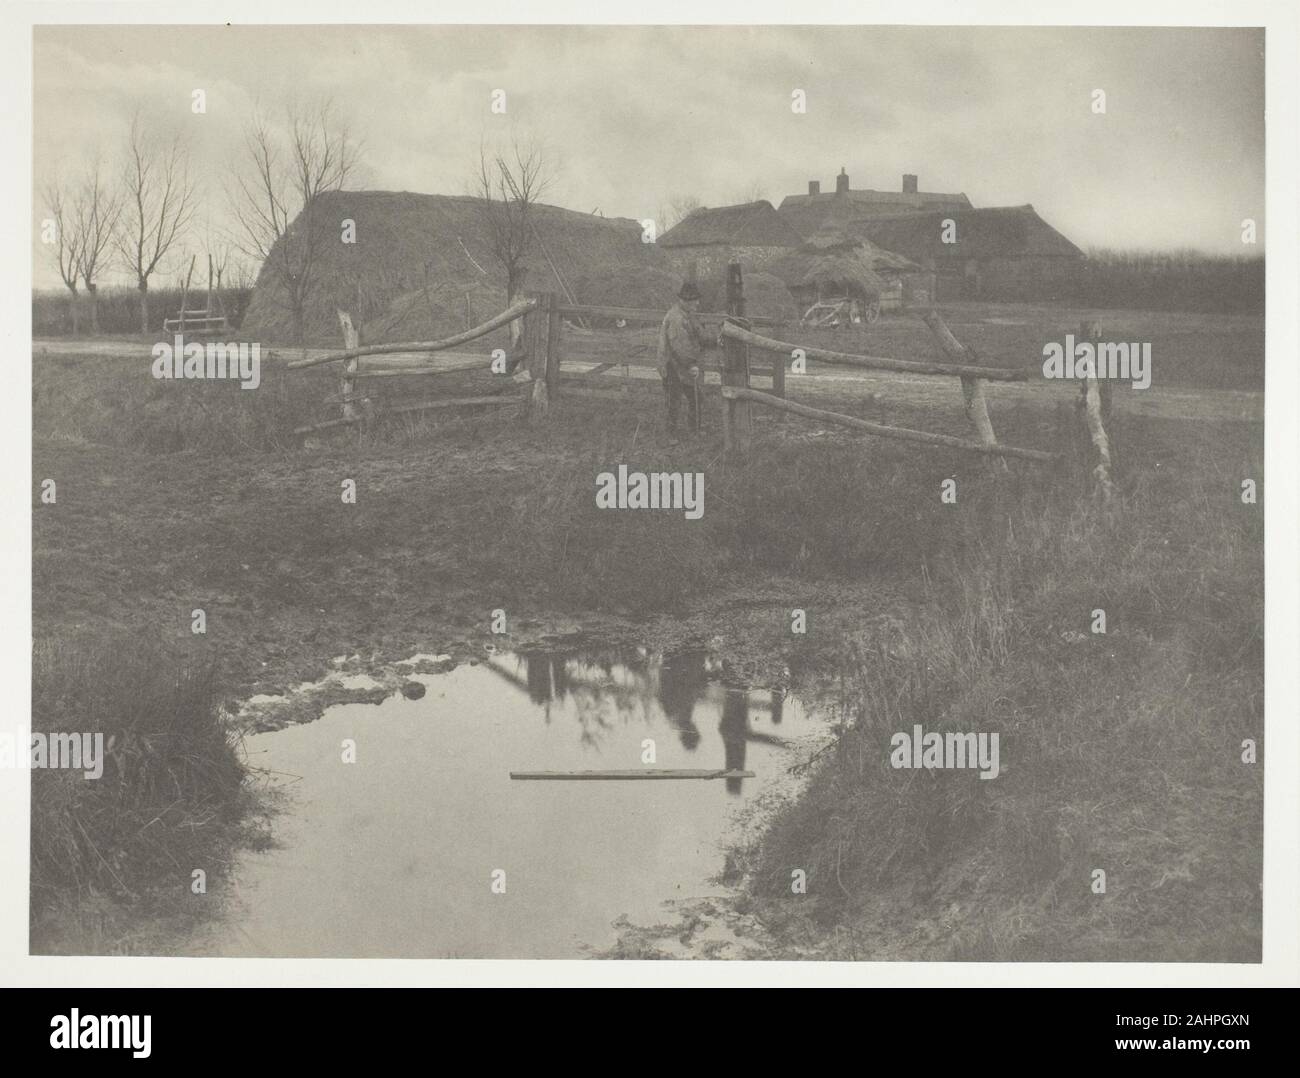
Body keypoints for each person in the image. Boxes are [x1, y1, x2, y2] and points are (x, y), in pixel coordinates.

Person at [657, 281, 712, 438]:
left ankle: (693, 430)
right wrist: (691, 364)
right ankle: (670, 435)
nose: (697, 303)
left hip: (682, 365)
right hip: (672, 365)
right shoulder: (676, 318)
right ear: (685, 300)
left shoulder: (688, 315)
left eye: (697, 299)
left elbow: (700, 334)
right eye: (694, 300)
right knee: (674, 401)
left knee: (695, 398)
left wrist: (715, 340)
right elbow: (679, 347)